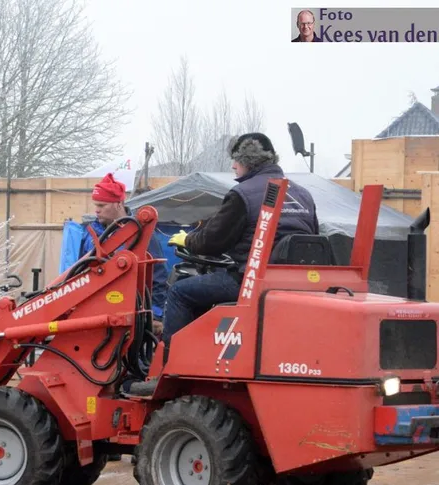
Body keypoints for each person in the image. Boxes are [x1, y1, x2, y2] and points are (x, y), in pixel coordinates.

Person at [163, 133, 318, 355]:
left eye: (236, 160)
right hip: (295, 282)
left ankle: (172, 362)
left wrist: (187, 240)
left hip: (252, 281)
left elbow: (212, 242)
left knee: (180, 292)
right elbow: (312, 236)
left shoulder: (243, 194)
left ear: (248, 161)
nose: (233, 166)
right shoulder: (304, 195)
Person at [79, 173, 169, 336]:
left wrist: (155, 315)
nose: (96, 210)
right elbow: (79, 274)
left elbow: (158, 277)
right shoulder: (90, 235)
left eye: (102, 205)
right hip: (95, 314)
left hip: (130, 315)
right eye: (96, 205)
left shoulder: (141, 235)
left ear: (119, 204)